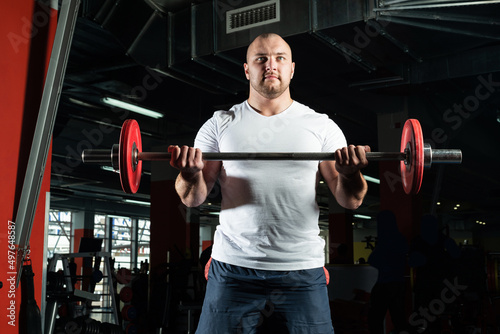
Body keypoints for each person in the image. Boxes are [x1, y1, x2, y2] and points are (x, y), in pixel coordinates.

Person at [168, 33, 370, 334]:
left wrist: (351, 174)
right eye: (261, 59)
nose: (270, 65)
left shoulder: (321, 125)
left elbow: (350, 200)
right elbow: (192, 198)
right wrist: (188, 173)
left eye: (279, 58)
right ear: (247, 70)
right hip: (233, 268)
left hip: (301, 268)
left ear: (291, 68)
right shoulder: (219, 124)